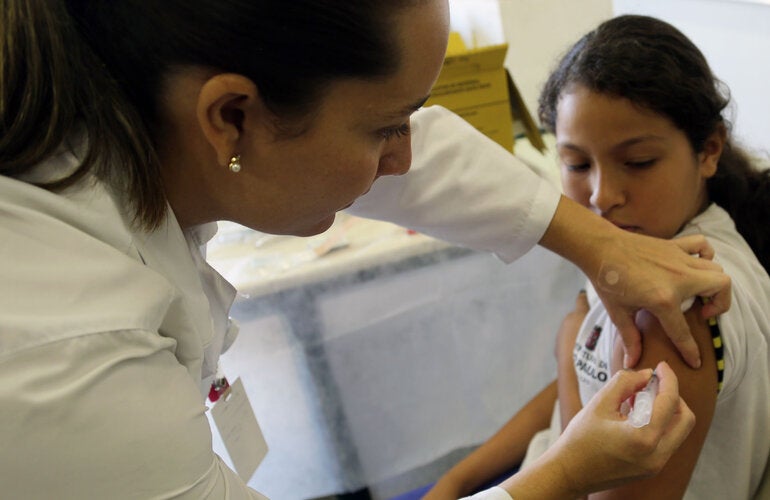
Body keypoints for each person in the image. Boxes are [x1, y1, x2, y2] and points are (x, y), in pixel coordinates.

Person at [0, 2, 724, 498]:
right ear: (230, 118)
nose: (406, 159)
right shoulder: (62, 347)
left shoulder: (123, 103)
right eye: (387, 128)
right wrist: (555, 477)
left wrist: (595, 245)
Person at [427, 14, 770, 500]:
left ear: (709, 149)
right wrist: (456, 480)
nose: (602, 195)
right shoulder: (641, 250)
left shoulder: (674, 308)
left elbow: (589, 435)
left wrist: (567, 355)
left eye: (638, 163)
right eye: (577, 164)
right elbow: (591, 375)